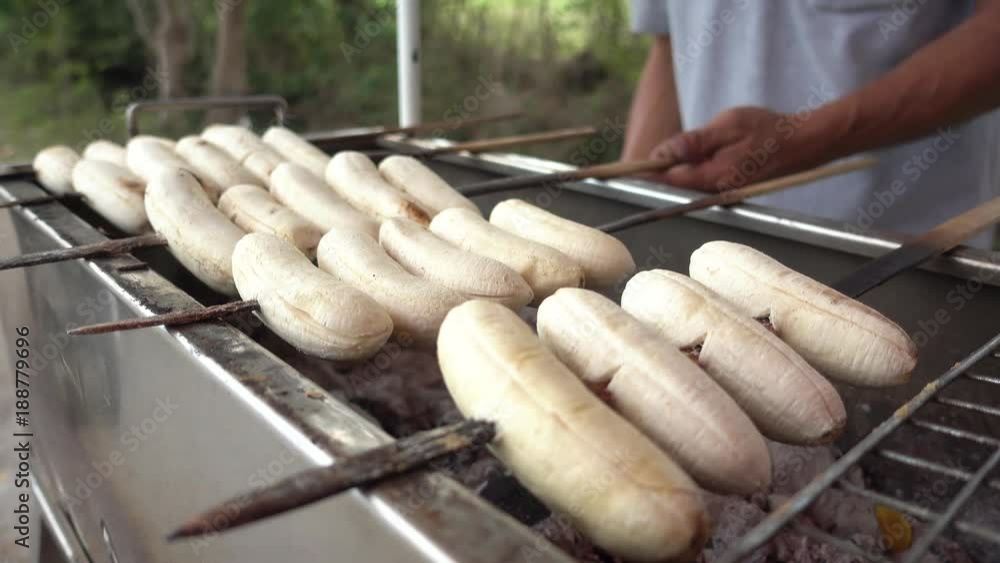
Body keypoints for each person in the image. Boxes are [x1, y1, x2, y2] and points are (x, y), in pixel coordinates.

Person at [623, 1, 1000, 246]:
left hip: (905, 257)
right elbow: (670, 42)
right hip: (709, 246)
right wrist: (629, 206)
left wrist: (803, 139)